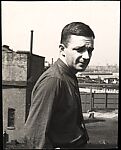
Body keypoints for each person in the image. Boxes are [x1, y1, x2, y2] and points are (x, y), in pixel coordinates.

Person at [23, 22, 95, 149]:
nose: (86, 56)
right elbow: (34, 136)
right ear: (62, 49)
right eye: (79, 50)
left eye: (89, 50)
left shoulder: (69, 74)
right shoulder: (53, 80)